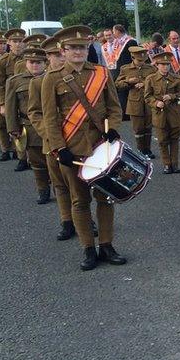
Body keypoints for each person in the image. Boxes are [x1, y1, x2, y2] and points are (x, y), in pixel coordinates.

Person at [41, 25, 126, 270]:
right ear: (63, 50)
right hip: (72, 148)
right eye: (73, 48)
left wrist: (113, 127)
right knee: (79, 201)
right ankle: (88, 248)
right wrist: (59, 147)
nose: (78, 51)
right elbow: (50, 118)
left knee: (106, 198)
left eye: (82, 47)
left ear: (88, 48)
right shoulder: (52, 78)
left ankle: (107, 245)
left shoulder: (100, 72)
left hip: (101, 146)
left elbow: (113, 106)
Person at [30, 37, 76, 240]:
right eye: (55, 55)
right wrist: (49, 134)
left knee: (79, 184)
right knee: (59, 184)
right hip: (52, 142)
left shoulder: (75, 78)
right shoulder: (39, 82)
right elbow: (34, 113)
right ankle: (67, 221)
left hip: (76, 139)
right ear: (48, 57)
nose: (60, 58)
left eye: (61, 53)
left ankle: (84, 218)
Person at [5, 46, 50, 203]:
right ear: (26, 63)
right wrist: (13, 128)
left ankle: (59, 187)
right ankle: (43, 190)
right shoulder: (15, 81)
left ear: (45, 63)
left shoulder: (51, 79)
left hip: (51, 126)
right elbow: (10, 107)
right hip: (29, 127)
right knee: (37, 163)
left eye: (39, 62)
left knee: (54, 161)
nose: (35, 65)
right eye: (31, 62)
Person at [145, 52, 180, 174]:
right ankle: (167, 164)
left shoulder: (177, 79)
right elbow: (147, 97)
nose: (165, 67)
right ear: (157, 65)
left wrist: (172, 96)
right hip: (159, 115)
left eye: (167, 64)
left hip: (174, 113)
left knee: (175, 139)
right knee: (162, 141)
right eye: (162, 64)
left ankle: (175, 164)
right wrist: (156, 103)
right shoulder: (151, 79)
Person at [114, 46, 157, 159]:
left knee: (148, 127)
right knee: (138, 128)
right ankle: (140, 150)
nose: (141, 63)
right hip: (134, 102)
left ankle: (147, 149)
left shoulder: (150, 69)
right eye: (139, 60)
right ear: (133, 58)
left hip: (148, 101)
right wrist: (129, 82)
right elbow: (118, 84)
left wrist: (145, 83)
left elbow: (157, 81)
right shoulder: (125, 69)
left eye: (143, 60)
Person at [0, 28, 27, 161]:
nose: (18, 44)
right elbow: (0, 83)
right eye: (14, 41)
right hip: (9, 98)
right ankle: (6, 149)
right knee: (5, 124)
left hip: (24, 97)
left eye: (21, 41)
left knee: (23, 123)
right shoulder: (4, 61)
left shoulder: (30, 59)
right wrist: (2, 104)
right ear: (9, 42)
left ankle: (21, 154)